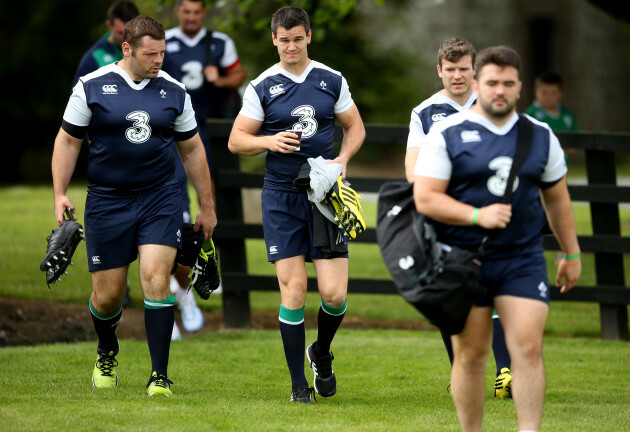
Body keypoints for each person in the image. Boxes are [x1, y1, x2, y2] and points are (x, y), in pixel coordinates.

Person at [413, 45, 581, 431]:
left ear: (520, 87)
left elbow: (557, 199)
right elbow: (425, 198)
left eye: (508, 83)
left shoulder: (541, 136)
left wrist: (571, 253)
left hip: (521, 258)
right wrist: (476, 215)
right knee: (470, 355)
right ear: (477, 84)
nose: (499, 90)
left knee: (529, 349)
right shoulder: (446, 134)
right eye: (491, 83)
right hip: (463, 259)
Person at [51, 15, 217, 397]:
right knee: (107, 296)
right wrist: (60, 193)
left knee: (156, 280)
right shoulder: (91, 87)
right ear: (127, 49)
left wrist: (206, 206)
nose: (158, 61)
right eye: (150, 54)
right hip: (108, 201)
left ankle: (159, 376)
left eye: (161, 53)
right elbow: (68, 142)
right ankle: (107, 349)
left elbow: (192, 150)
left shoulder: (174, 91)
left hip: (160, 198)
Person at [228, 6, 365, 404]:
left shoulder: (330, 79)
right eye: (283, 39)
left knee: (335, 295)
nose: (291, 45)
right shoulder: (262, 87)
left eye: (297, 38)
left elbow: (354, 127)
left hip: (324, 195)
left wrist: (342, 161)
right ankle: (297, 386)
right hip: (281, 196)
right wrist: (268, 141)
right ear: (274, 39)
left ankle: (320, 352)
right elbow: (237, 140)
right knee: (294, 292)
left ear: (308, 36)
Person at [406, 37, 512, 397]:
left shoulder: (494, 105)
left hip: (491, 213)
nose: (456, 76)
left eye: (463, 69)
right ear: (439, 71)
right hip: (447, 216)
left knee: (494, 287)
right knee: (452, 294)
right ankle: (462, 374)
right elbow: (411, 171)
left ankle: (505, 372)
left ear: (474, 71)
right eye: (449, 69)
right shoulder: (424, 113)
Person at [162, 0, 247, 311]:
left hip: (208, 133)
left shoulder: (219, 42)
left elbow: (238, 75)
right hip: (170, 134)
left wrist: (219, 79)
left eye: (197, 12)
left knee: (209, 200)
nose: (191, 17)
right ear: (177, 11)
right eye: (186, 11)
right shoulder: (164, 41)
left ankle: (209, 266)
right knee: (175, 199)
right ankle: (177, 269)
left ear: (204, 13)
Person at [73, 1, 140, 86]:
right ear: (109, 25)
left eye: (130, 32)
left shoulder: (152, 52)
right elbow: (78, 96)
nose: (126, 38)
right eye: (120, 33)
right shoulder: (94, 58)